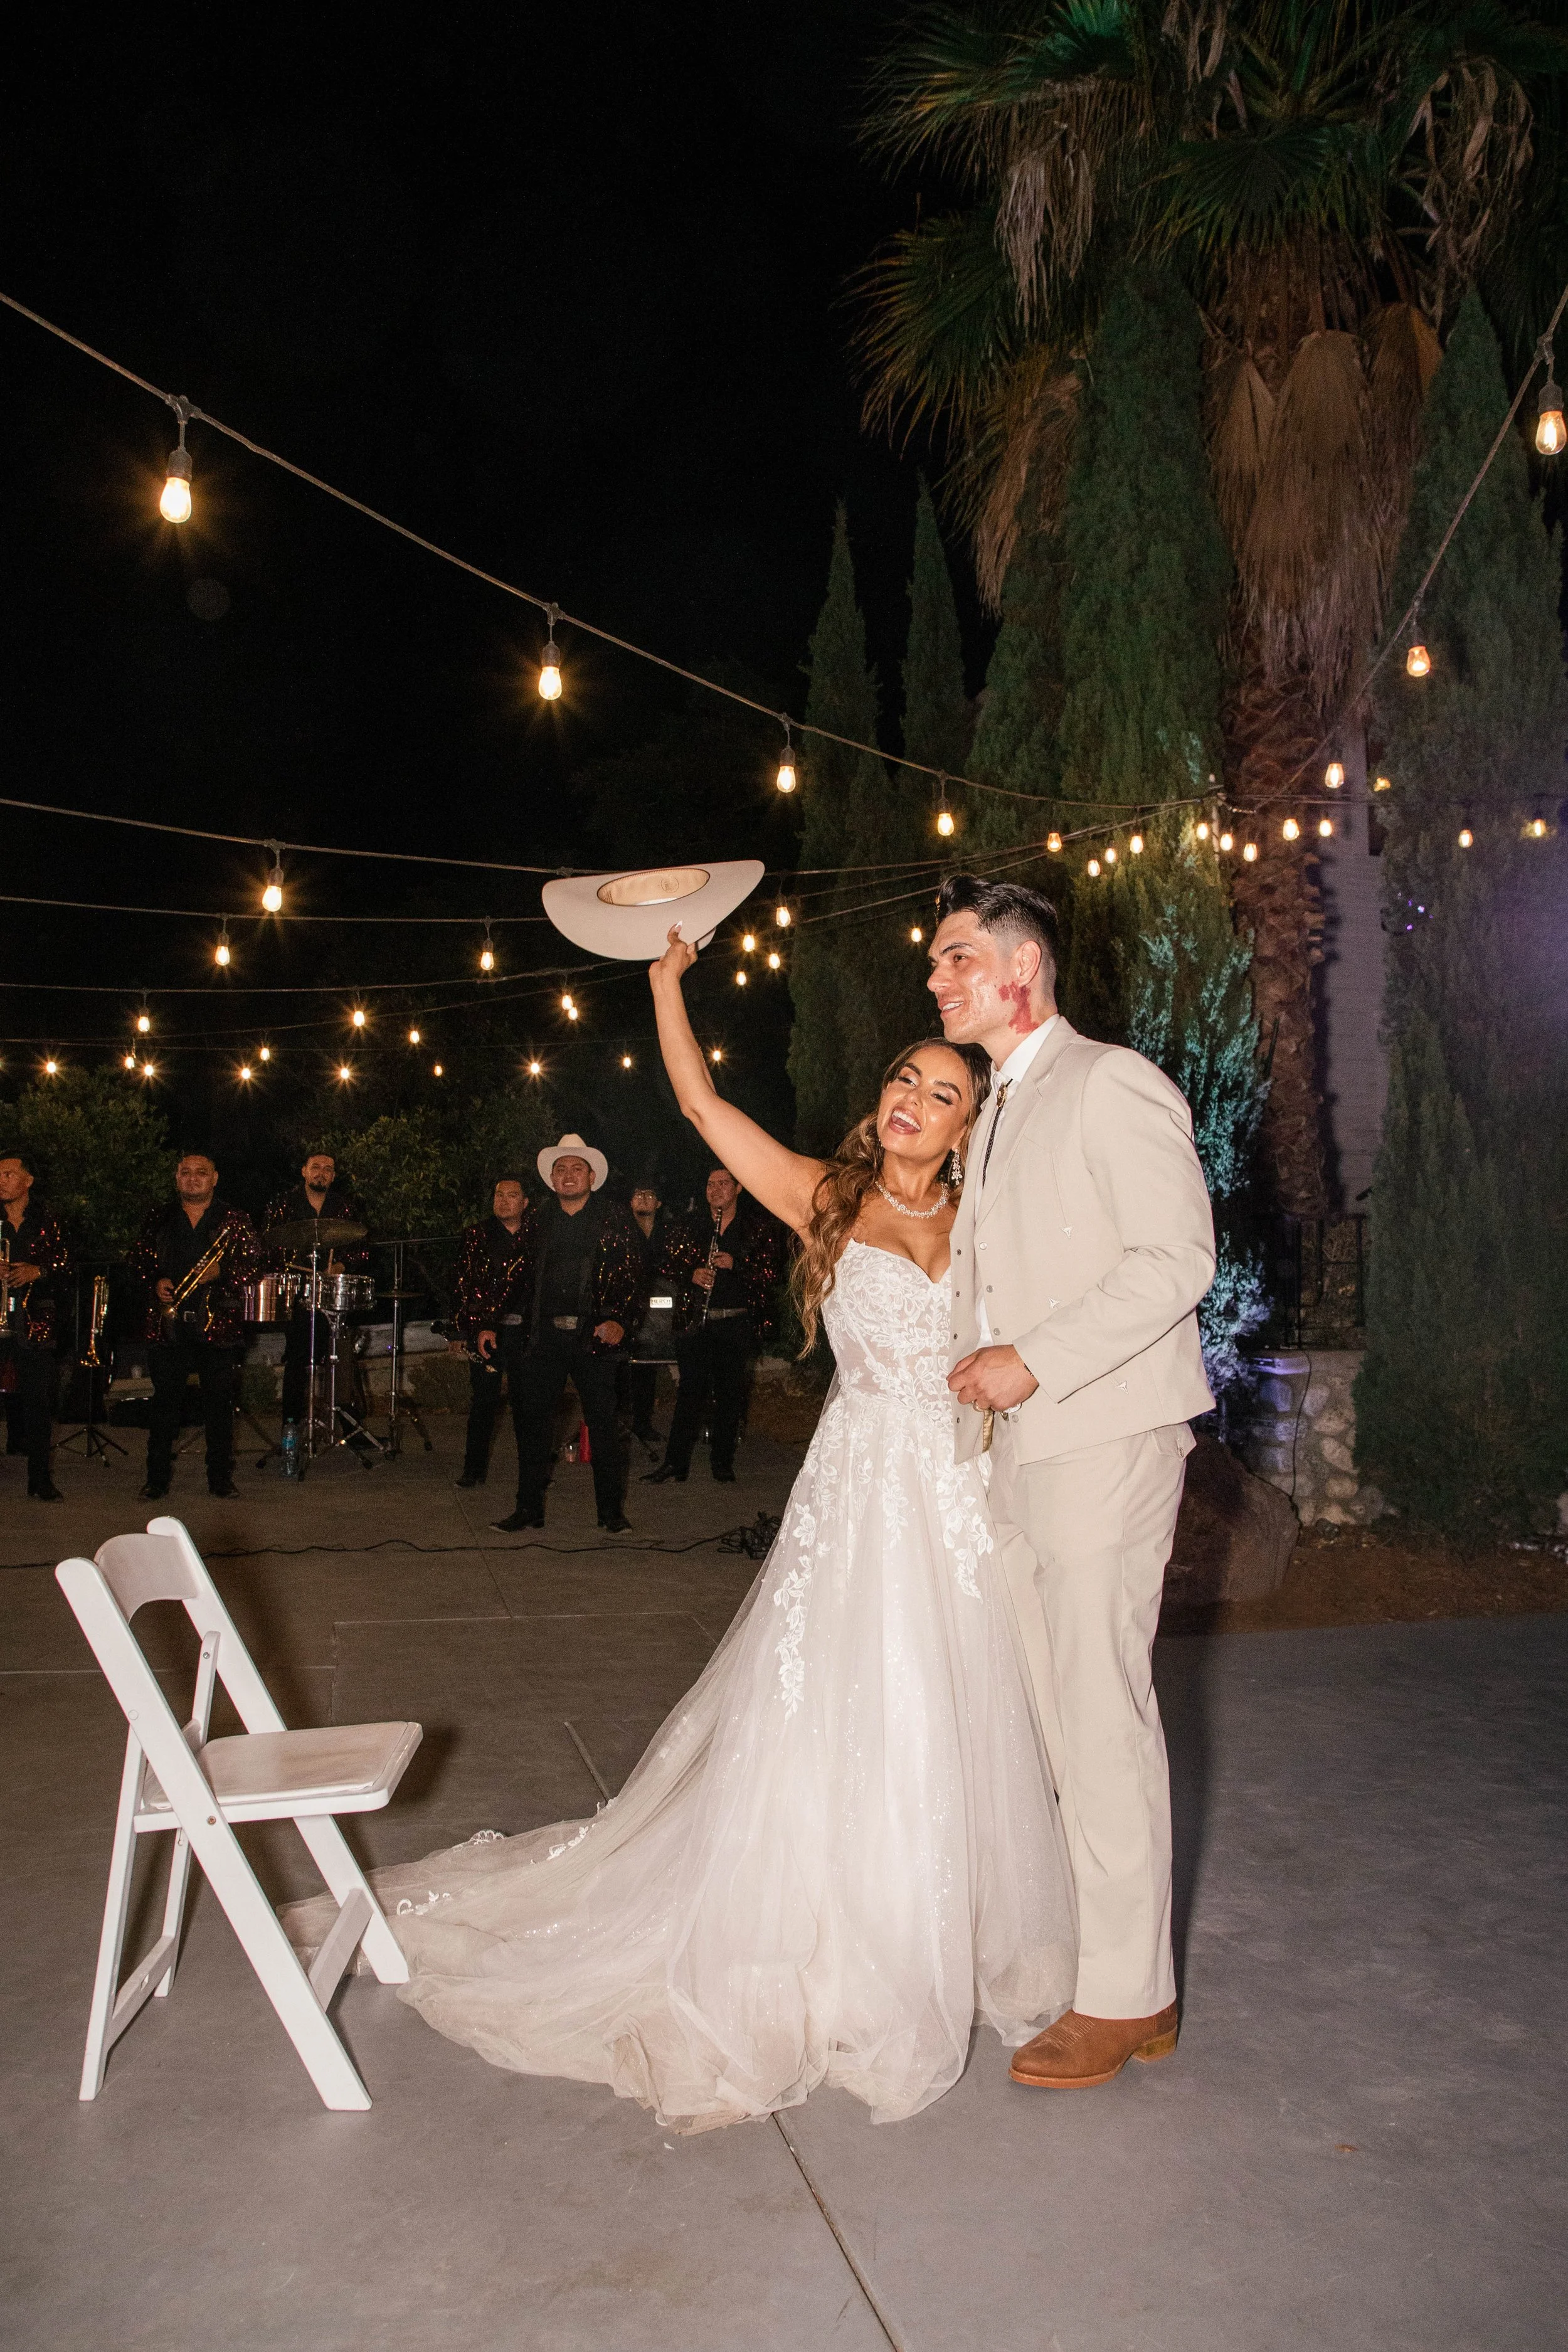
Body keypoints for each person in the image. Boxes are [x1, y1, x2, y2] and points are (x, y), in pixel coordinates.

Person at [283, 927, 1076, 2134]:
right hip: (856, 1491)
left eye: (945, 1091)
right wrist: (665, 986)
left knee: (946, 1712)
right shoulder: (830, 1197)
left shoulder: (985, 1218)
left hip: (956, 1499)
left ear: (973, 1120)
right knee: (830, 1707)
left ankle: (928, 1929)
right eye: (904, 1082)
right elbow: (703, 1105)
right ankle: (809, 1931)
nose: (916, 1102)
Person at [931, 874, 1215, 2092]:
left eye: (951, 958)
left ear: (1020, 969)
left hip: (1105, 1441)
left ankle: (1122, 1997)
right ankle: (1127, 1973)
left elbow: (1177, 1258)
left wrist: (1030, 1361)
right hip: (1023, 1458)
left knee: (1101, 1719)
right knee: (1059, 1721)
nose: (935, 981)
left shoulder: (1110, 1083)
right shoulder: (995, 1111)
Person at [491, 1135, 642, 1537]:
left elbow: (633, 1277)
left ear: (592, 1176)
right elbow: (518, 1280)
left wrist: (620, 1321)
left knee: (605, 1427)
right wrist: (495, 1321)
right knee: (532, 1424)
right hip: (544, 1339)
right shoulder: (538, 1220)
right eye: (561, 1169)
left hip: (595, 1337)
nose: (568, 1175)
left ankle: (611, 1514)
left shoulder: (614, 1219)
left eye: (577, 1168)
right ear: (552, 1178)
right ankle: (528, 1510)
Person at [130, 1153, 261, 1501]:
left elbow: (253, 1264)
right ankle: (156, 1479)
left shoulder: (234, 1219)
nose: (193, 1179)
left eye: (200, 1173)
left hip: (217, 1327)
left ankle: (220, 1479)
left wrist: (224, 1271)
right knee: (164, 1407)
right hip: (169, 1326)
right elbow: (138, 1260)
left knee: (218, 1407)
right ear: (176, 1179)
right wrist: (155, 1281)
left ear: (214, 1178)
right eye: (185, 1173)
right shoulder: (160, 1217)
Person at [644, 1166, 786, 1485]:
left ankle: (722, 1461)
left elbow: (774, 1271)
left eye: (724, 1183)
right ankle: (675, 1463)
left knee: (730, 1395)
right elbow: (664, 1261)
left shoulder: (756, 1227)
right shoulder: (690, 1225)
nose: (716, 1189)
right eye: (711, 1184)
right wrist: (690, 1273)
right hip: (695, 1322)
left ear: (739, 1189)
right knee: (689, 1393)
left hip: (735, 1322)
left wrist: (738, 1264)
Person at [263, 1152, 373, 1445]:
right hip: (298, 1292)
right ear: (304, 1172)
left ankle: (349, 1427)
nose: (321, 1173)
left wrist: (341, 1266)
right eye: (316, 1168)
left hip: (333, 1292)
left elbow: (362, 1249)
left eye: (328, 1169)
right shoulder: (284, 1205)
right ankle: (290, 1428)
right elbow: (270, 1247)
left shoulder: (344, 1208)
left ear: (334, 1176)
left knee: (341, 1360)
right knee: (297, 1360)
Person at [449, 1176, 533, 1491]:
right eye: (499, 1195)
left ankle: (534, 1470)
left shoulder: (536, 1236)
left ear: (525, 1203)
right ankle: (473, 1470)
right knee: (484, 1401)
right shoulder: (476, 1235)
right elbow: (461, 1283)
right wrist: (460, 1329)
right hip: (486, 1330)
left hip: (526, 1331)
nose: (505, 1201)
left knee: (527, 1403)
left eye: (513, 1195)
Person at [0, 1151, 71, 1502]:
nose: (2, 1180)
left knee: (38, 1402)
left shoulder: (48, 1220)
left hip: (35, 1321)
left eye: (10, 1174)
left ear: (27, 1181)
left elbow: (68, 1265)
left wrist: (37, 1271)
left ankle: (40, 1479)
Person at [620, 1178, 675, 1446]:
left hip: (658, 1308)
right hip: (624, 1307)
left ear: (659, 1203)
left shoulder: (669, 1233)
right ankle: (619, 1423)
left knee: (648, 1367)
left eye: (649, 1194)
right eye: (638, 1194)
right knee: (621, 1367)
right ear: (630, 1201)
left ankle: (642, 1424)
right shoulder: (620, 1230)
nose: (643, 1198)